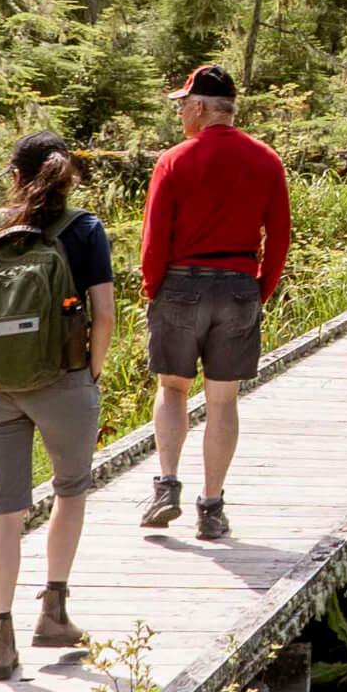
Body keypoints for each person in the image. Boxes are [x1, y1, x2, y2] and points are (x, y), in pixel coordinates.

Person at [0, 132, 115, 683]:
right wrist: (89, 375)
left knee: (5, 512)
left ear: (14, 174)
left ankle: (0, 639)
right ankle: (53, 611)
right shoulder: (85, 229)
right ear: (67, 174)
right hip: (65, 381)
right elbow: (105, 315)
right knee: (69, 492)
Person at [137, 64, 291, 542]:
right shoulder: (267, 160)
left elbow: (154, 237)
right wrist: (259, 288)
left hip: (181, 285)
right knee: (223, 400)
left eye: (183, 103)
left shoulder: (174, 161)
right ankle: (212, 506)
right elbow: (281, 237)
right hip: (239, 283)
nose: (180, 111)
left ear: (201, 107)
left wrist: (153, 288)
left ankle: (166, 486)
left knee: (173, 388)